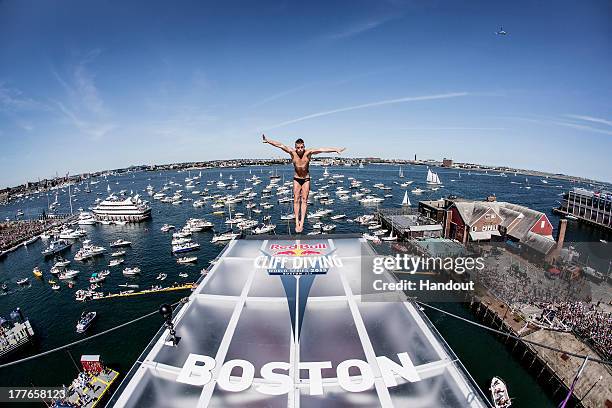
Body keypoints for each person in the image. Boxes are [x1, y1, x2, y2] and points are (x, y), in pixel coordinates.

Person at [262, 134, 345, 232]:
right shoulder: (292, 153)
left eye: (302, 147)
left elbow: (322, 149)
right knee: (296, 199)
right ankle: (297, 222)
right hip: (296, 179)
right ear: (295, 147)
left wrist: (335, 149)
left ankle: (302, 222)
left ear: (304, 147)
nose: (300, 149)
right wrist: (268, 141)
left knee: (304, 200)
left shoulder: (308, 153)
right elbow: (280, 145)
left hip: (306, 179)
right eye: (298, 148)